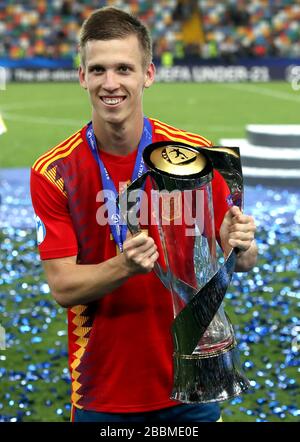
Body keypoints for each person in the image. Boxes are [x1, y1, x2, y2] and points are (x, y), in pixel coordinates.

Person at [30, 7, 257, 423]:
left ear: (147, 74)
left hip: (194, 380)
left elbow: (241, 259)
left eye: (124, 68)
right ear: (82, 76)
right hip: (102, 391)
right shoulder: (55, 171)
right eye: (97, 70)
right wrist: (124, 265)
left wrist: (239, 243)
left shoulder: (194, 157)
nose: (110, 83)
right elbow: (63, 287)